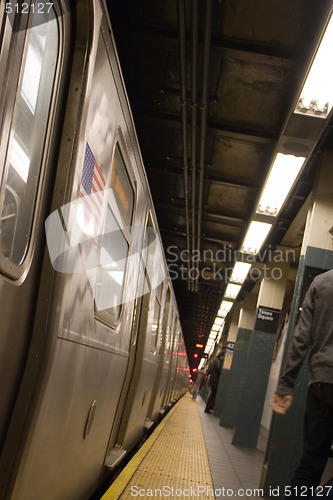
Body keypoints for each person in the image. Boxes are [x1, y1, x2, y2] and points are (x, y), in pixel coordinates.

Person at [271, 269, 333, 496]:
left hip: (320, 384)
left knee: (309, 466)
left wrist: (286, 384)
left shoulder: (321, 282)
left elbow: (301, 337)